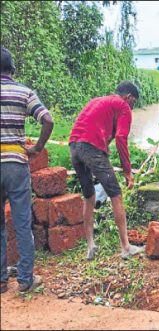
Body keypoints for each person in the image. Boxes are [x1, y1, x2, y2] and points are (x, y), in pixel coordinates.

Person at [69, 81, 143, 260]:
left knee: (89, 195)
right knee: (116, 194)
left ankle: (90, 246)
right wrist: (127, 171)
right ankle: (126, 247)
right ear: (129, 97)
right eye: (134, 103)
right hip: (91, 147)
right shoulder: (123, 106)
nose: (132, 107)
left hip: (74, 147)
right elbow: (121, 138)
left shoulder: (99, 100)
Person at [1, 46, 54, 293]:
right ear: (12, 69)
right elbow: (48, 119)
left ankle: (1, 281)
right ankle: (24, 280)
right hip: (16, 164)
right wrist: (38, 147)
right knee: (22, 222)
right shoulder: (24, 92)